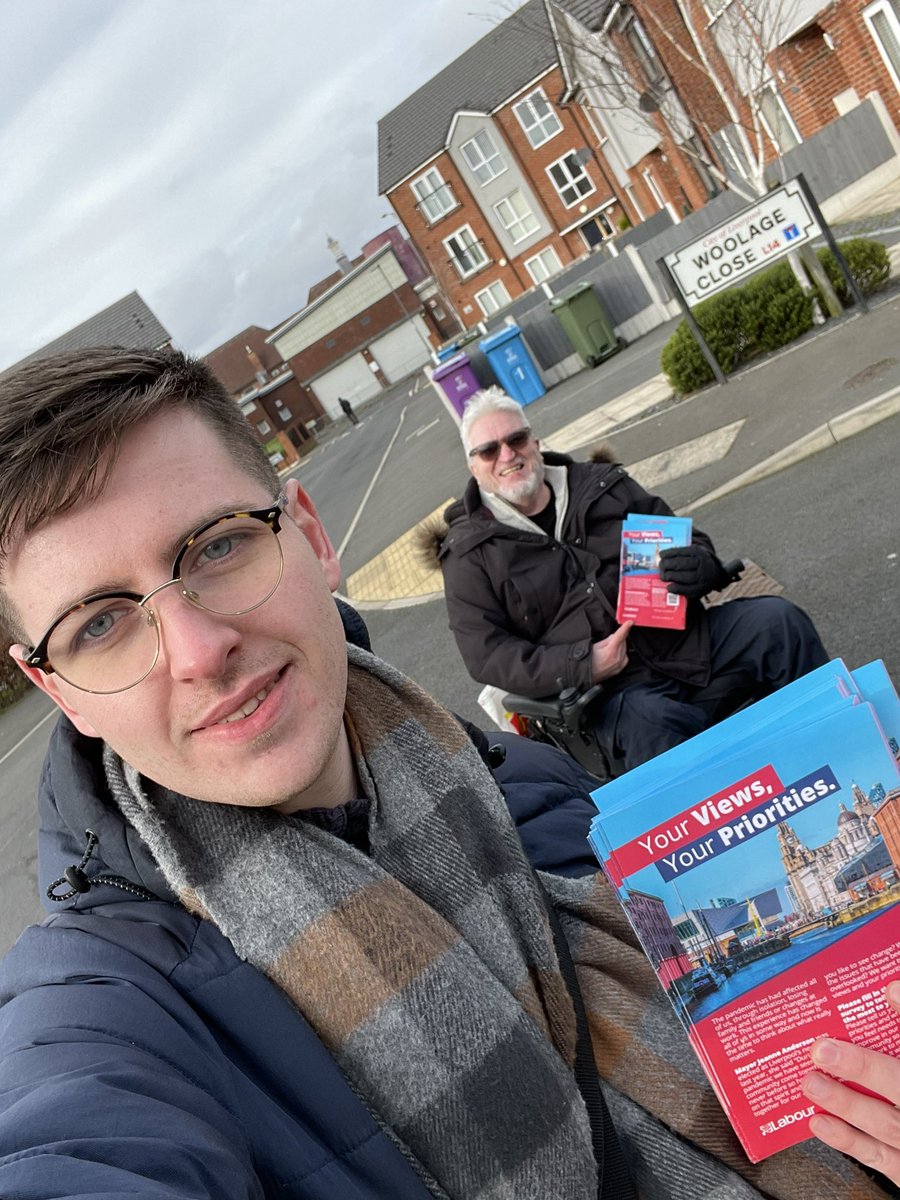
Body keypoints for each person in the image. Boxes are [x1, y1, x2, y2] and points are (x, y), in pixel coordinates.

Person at [0, 348, 895, 1200]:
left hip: (681, 652)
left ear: (310, 533)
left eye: (217, 546)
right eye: (98, 625)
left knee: (777, 631)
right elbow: (71, 1143)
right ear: (58, 691)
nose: (199, 652)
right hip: (604, 694)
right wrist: (589, 661)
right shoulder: (105, 1008)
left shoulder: (532, 786)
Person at [434, 386, 830, 772]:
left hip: (682, 642)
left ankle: (839, 748)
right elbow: (489, 655)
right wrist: (584, 663)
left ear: (534, 442)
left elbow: (689, 540)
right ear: (474, 467)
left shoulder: (601, 485)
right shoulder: (469, 553)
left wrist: (700, 564)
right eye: (489, 450)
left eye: (516, 439)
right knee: (657, 725)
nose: (507, 454)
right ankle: (752, 806)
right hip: (606, 693)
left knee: (779, 623)